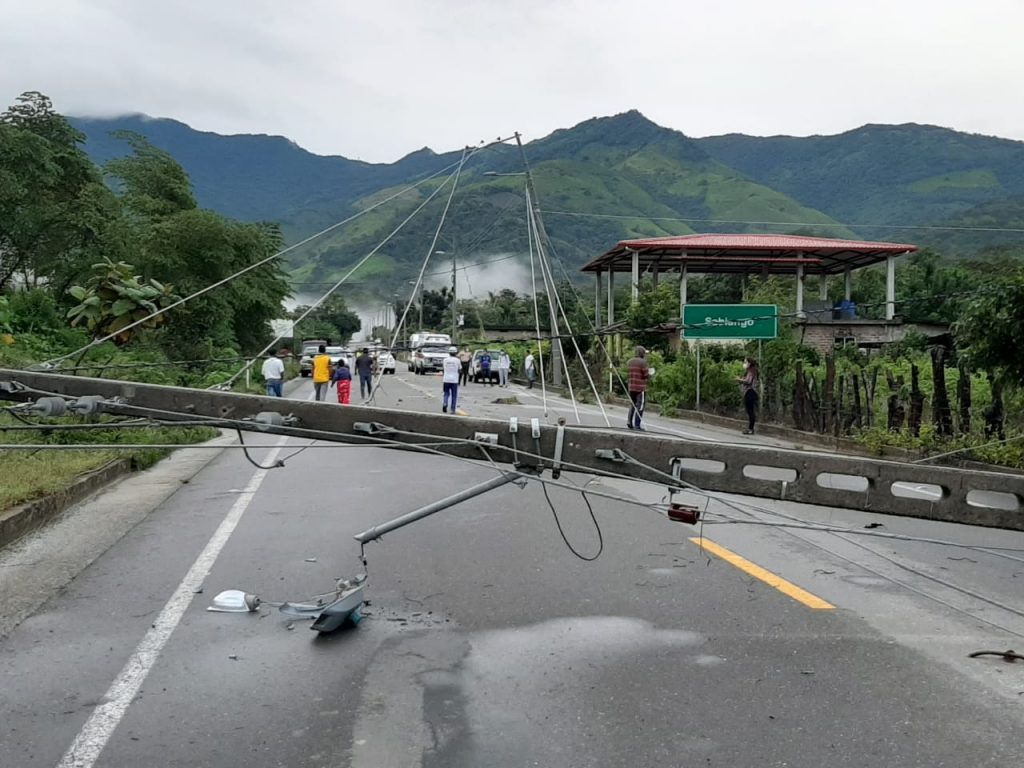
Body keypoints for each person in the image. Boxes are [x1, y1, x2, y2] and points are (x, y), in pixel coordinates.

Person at [626, 346, 650, 430]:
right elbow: (646, 375)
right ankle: (637, 425)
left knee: (632, 405)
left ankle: (629, 421)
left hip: (631, 386)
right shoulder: (643, 362)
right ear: (642, 353)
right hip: (640, 388)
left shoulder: (629, 362)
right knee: (640, 406)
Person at [737, 357, 760, 435]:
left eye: (745, 362)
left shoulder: (751, 372)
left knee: (750, 411)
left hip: (750, 392)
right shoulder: (753, 371)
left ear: (749, 363)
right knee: (750, 411)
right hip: (752, 392)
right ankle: (750, 428)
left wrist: (739, 380)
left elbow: (748, 381)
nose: (744, 364)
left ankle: (751, 429)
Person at [442, 346, 461, 414]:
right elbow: (460, 369)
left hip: (446, 379)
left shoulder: (445, 360)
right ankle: (452, 409)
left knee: (446, 393)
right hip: (454, 380)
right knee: (454, 395)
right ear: (455, 353)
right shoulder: (457, 360)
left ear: (449, 352)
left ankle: (445, 403)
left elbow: (444, 369)